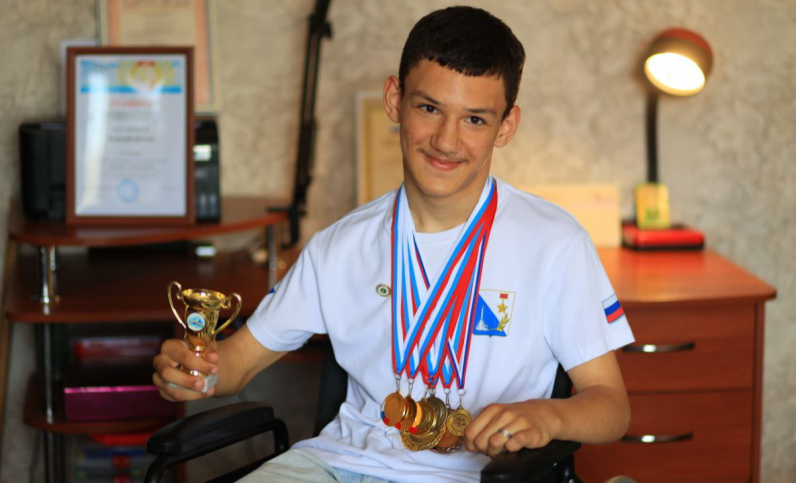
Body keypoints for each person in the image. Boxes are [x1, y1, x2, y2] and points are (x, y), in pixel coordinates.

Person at [153, 6, 634, 482]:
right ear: (394, 100)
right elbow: (236, 364)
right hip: (336, 465)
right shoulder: (339, 245)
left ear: (505, 127)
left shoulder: (554, 243)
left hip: (476, 476)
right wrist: (194, 372)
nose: (446, 141)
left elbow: (611, 406)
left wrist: (548, 416)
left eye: (474, 119)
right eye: (429, 108)